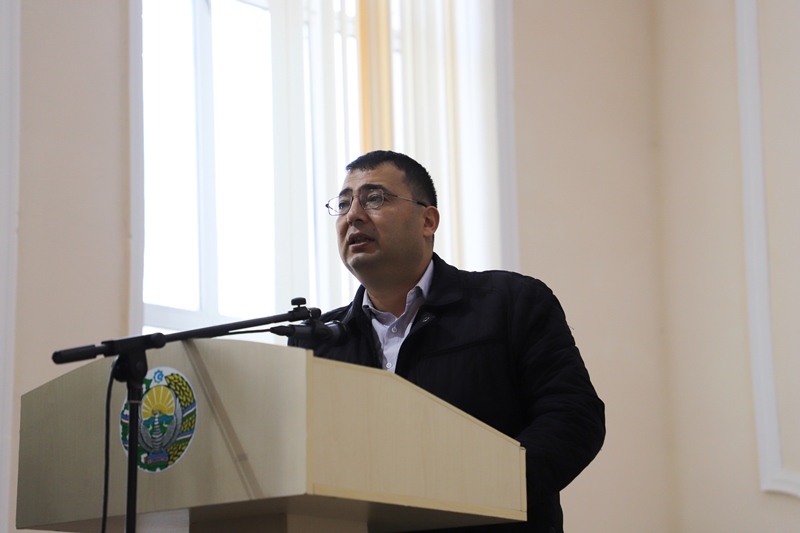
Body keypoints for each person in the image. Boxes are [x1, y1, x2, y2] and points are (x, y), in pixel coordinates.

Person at [291, 150, 605, 533]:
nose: (353, 215)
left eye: (374, 198)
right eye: (343, 204)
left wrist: (483, 491)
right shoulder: (319, 341)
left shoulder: (511, 303)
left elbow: (573, 418)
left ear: (428, 220)